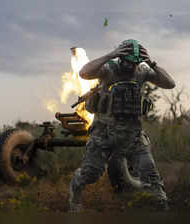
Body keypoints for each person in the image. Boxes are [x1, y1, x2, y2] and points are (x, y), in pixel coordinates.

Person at [69, 39, 175, 212]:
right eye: (127, 62)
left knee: (151, 178)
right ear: (120, 58)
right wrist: (111, 55)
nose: (130, 67)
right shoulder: (109, 69)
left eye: (134, 63)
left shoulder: (141, 70)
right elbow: (84, 73)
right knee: (90, 174)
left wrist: (151, 63)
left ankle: (162, 207)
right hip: (104, 133)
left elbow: (170, 84)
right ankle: (75, 197)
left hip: (133, 135)